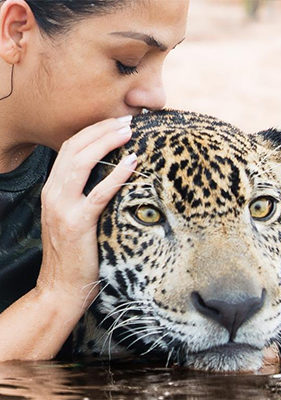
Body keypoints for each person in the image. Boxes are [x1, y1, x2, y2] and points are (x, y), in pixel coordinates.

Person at [0, 0, 188, 361]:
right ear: (16, 30)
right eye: (128, 63)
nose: (157, 97)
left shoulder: (108, 153)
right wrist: (58, 292)